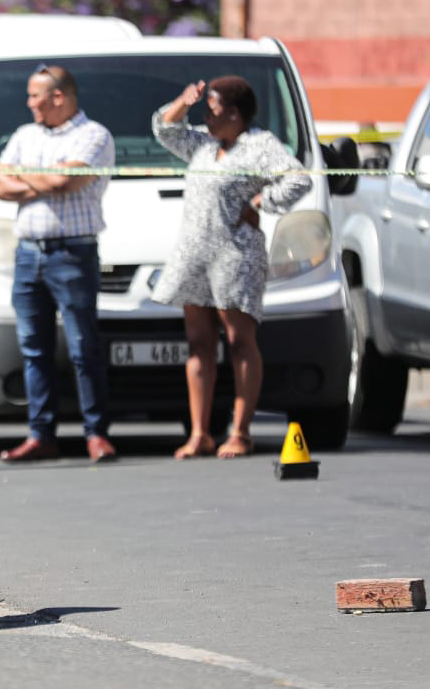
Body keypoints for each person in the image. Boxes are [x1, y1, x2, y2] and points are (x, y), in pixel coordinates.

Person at [151, 76, 312, 459]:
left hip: (235, 255)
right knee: (199, 343)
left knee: (239, 341)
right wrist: (183, 100)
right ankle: (200, 433)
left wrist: (260, 202)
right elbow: (164, 129)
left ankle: (240, 431)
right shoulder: (204, 146)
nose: (206, 115)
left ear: (236, 115)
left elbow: (298, 180)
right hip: (195, 254)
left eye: (213, 108)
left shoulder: (260, 145)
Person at [0, 65, 117, 464]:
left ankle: (96, 433)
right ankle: (40, 433)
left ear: (58, 97)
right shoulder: (25, 136)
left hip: (72, 253)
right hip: (29, 253)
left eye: (35, 96)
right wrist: (48, 177)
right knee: (33, 348)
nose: (30, 104)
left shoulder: (94, 135)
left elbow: (68, 182)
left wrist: (24, 178)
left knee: (83, 346)